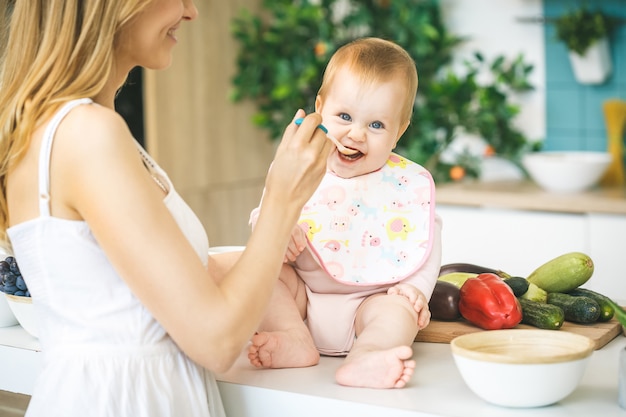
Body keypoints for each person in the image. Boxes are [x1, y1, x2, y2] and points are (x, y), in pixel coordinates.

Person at [0, 1, 332, 416]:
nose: (191, 12)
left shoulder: (72, 128)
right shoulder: (88, 134)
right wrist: (283, 198)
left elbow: (151, 290)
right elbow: (217, 341)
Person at [247, 37, 443, 389]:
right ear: (320, 107)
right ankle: (292, 337)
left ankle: (367, 355)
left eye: (377, 125)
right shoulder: (301, 167)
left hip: (368, 304)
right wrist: (279, 229)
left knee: (399, 312)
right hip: (303, 297)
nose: (356, 134)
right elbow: (264, 215)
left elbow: (426, 244)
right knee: (268, 280)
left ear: (399, 130)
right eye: (345, 116)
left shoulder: (405, 187)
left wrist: (414, 289)